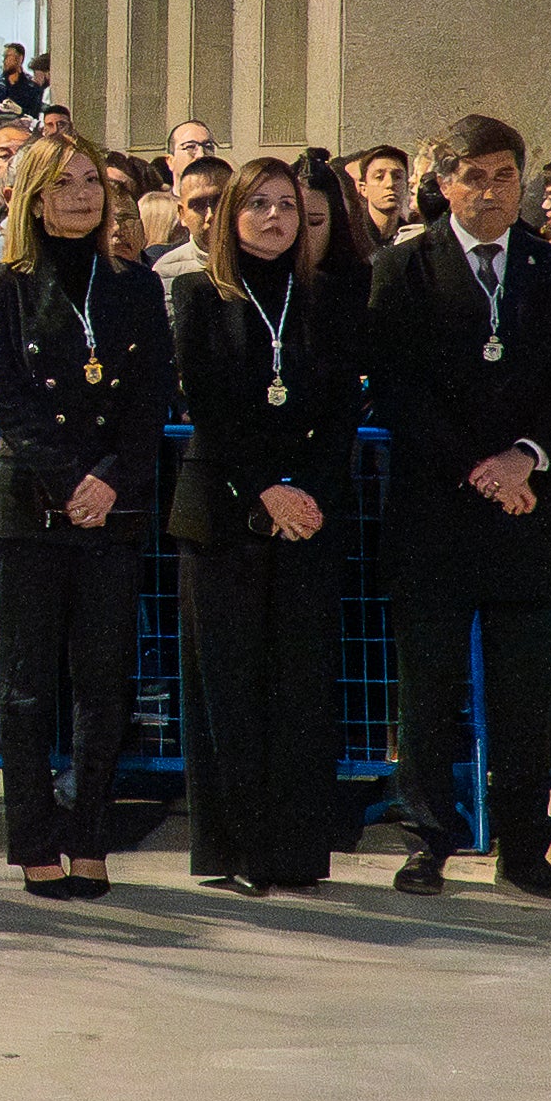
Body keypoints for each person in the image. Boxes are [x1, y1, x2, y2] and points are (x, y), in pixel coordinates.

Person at [356, 115, 551, 891]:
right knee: (428, 688)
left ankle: (524, 844)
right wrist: (475, 465)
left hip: (531, 509)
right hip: (438, 509)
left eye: (504, 176)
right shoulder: (404, 270)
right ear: (444, 183)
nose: (490, 191)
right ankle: (428, 838)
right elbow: (397, 386)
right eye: (474, 177)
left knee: (526, 689)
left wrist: (523, 459)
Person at [0, 137, 167, 899]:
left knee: (103, 682)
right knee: (26, 688)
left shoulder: (136, 285)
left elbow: (150, 401)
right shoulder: (2, 284)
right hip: (32, 507)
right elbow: (3, 390)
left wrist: (109, 482)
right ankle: (34, 841)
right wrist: (68, 481)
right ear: (33, 196)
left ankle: (90, 836)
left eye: (93, 181)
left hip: (113, 510)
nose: (85, 195)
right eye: (65, 183)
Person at [169, 157, 366, 895]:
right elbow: (209, 402)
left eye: (288, 206)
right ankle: (239, 847)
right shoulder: (198, 293)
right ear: (230, 217)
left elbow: (343, 406)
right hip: (222, 508)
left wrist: (303, 492)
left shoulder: (335, 298)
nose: (276, 218)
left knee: (300, 681)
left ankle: (295, 852)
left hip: (307, 513)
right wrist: (265, 489)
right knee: (229, 681)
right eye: (258, 205)